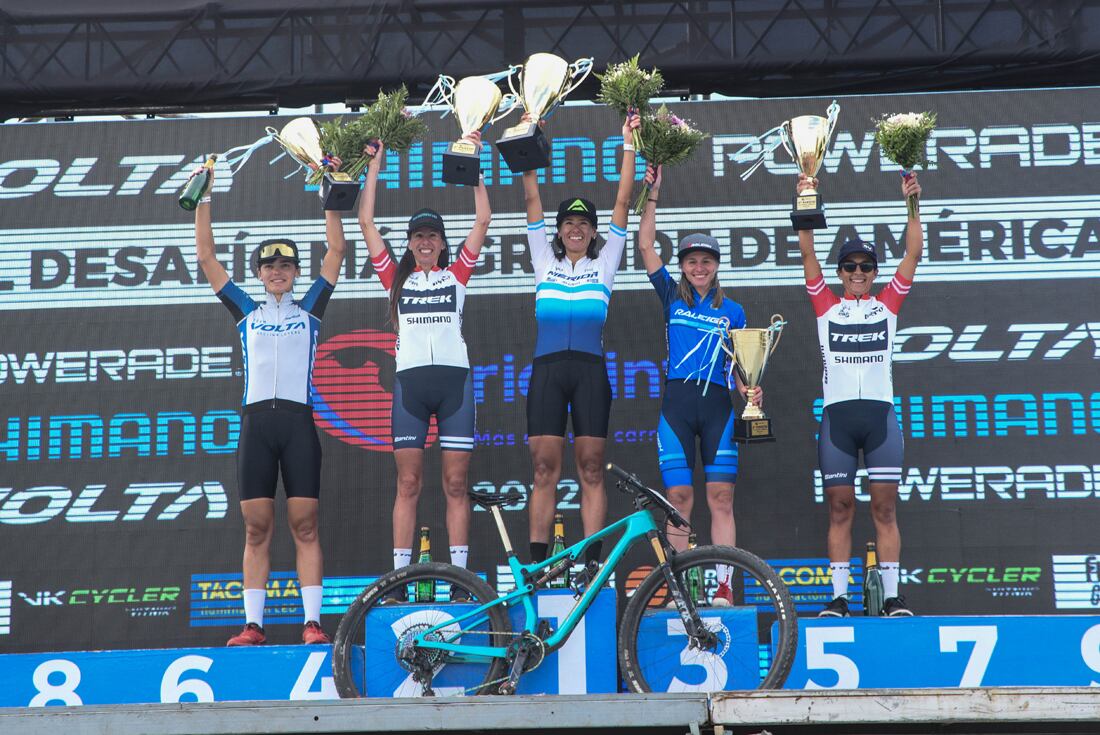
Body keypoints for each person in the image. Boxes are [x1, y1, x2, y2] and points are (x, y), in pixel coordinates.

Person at [194, 164, 347, 646]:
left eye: (285, 266)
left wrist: (330, 191)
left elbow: (338, 251)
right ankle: (254, 625)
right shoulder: (246, 311)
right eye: (269, 267)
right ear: (259, 274)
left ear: (296, 272)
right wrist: (203, 197)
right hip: (257, 425)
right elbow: (206, 257)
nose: (277, 272)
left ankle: (312, 623)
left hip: (298, 424)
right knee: (256, 527)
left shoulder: (310, 310)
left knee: (304, 524)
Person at [357, 134, 490, 601]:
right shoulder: (394, 278)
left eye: (433, 235)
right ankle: (397, 580)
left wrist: (472, 165)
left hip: (454, 384)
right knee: (408, 482)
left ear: (441, 243)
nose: (426, 242)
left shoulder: (458, 276)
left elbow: (483, 218)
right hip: (410, 386)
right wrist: (373, 164)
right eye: (418, 236)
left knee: (456, 482)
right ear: (410, 244)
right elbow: (365, 220)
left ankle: (460, 581)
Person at [795, 171, 924, 618]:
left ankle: (891, 597)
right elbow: (807, 250)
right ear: (840, 273)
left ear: (874, 273)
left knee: (885, 508)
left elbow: (914, 252)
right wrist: (805, 199)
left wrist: (911, 204)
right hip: (838, 421)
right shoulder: (825, 306)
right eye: (849, 267)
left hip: (880, 418)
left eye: (865, 267)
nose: (857, 273)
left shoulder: (887, 303)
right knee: (840, 506)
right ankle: (838, 597)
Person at [521, 111, 640, 574]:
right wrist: (530, 138)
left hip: (589, 370)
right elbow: (531, 193)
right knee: (544, 469)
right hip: (549, 369)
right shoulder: (542, 259)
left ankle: (591, 564)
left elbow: (624, 200)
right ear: (558, 230)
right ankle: (538, 566)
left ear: (593, 232)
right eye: (568, 222)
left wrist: (628, 143)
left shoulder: (606, 259)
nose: (575, 228)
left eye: (583, 223)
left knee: (591, 467)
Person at [636, 164, 761, 605]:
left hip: (718, 408)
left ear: (715, 266)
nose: (699, 267)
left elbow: (740, 368)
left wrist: (750, 389)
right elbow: (646, 245)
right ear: (684, 266)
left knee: (720, 496)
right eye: (691, 260)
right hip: (677, 404)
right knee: (679, 497)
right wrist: (652, 194)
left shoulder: (736, 312)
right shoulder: (671, 295)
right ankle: (680, 586)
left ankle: (725, 584)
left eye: (706, 260)